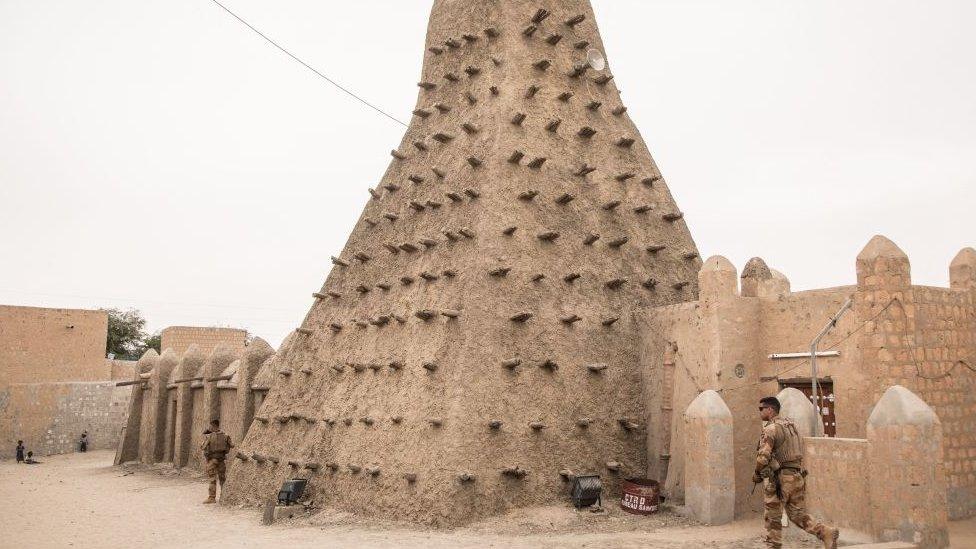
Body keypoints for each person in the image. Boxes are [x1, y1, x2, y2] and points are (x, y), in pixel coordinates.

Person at [755, 396, 839, 549]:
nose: (760, 412)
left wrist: (757, 473)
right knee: (797, 514)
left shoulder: (771, 428)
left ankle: (773, 547)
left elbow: (763, 456)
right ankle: (825, 532)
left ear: (770, 409)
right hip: (797, 477)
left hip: (781, 480)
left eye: (761, 409)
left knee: (773, 518)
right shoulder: (791, 426)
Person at [200, 419, 233, 504]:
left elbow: (203, 447)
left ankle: (212, 498)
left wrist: (206, 435)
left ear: (214, 426)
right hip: (221, 460)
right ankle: (224, 497)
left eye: (210, 426)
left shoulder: (209, 436)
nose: (209, 427)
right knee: (222, 479)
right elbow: (232, 445)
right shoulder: (226, 435)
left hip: (212, 460)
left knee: (212, 479)